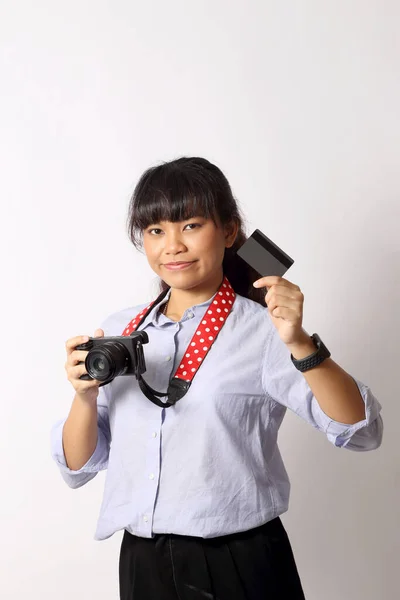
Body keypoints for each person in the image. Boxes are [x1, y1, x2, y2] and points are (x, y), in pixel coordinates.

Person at [51, 156, 383, 600]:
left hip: (237, 562)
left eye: (189, 225)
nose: (172, 245)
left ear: (229, 230)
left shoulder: (262, 329)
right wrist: (84, 396)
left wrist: (301, 343)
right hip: (142, 563)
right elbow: (77, 467)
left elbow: (361, 431)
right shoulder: (121, 332)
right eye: (155, 231)